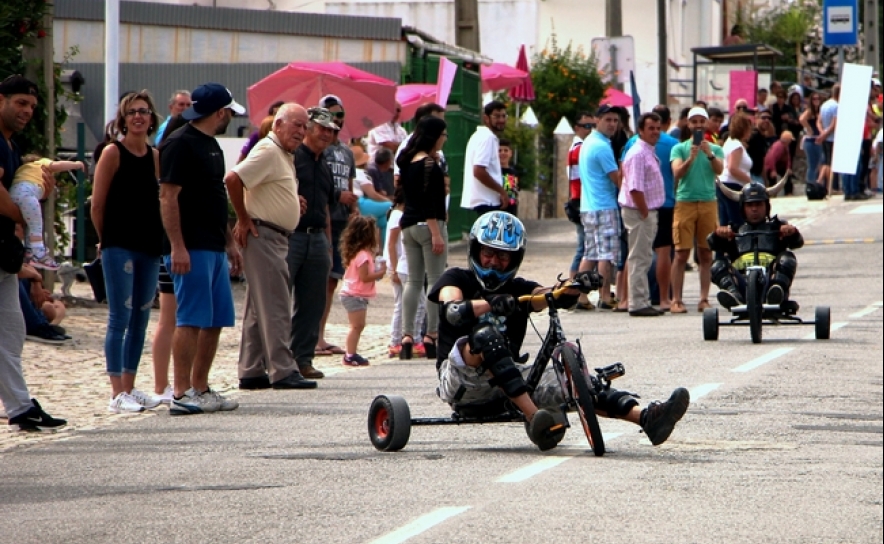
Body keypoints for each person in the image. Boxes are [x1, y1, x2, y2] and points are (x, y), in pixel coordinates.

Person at [429, 211, 691, 450]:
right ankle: (535, 418)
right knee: (485, 335)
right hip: (461, 381)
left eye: (503, 256)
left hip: (509, 384)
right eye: (488, 253)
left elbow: (547, 294)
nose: (494, 262)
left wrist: (575, 285)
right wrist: (490, 304)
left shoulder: (519, 288)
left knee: (572, 381)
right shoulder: (456, 279)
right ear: (476, 251)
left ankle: (646, 418)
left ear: (514, 259)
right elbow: (452, 309)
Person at [159, 82, 245, 416]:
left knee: (215, 319)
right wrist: (177, 246)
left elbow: (215, 197)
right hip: (189, 245)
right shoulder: (179, 144)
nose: (230, 119)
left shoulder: (212, 145)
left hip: (212, 245)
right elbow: (168, 196)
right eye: (229, 113)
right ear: (219, 113)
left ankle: (201, 387)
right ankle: (180, 392)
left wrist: (229, 243)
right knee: (191, 318)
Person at [226, 103, 317, 391]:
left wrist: (292, 201)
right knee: (277, 304)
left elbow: (265, 187)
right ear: (278, 124)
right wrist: (242, 217)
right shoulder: (268, 150)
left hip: (272, 234)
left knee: (257, 307)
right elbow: (233, 179)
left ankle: (252, 369)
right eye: (296, 124)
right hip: (264, 234)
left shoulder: (281, 153)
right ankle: (283, 369)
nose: (302, 131)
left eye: (305, 126)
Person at [92, 89, 165, 413]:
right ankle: (116, 391)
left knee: (141, 318)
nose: (139, 116)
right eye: (133, 111)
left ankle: (132, 386)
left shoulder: (155, 157)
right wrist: (104, 239)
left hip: (149, 246)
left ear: (151, 119)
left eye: (144, 111)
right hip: (118, 245)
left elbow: (162, 201)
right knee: (119, 316)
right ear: (124, 118)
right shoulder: (113, 152)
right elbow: (98, 204)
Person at [0, 74, 67, 431]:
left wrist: (36, 198)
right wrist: (22, 213)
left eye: (31, 106)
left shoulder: (11, 146)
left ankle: (20, 406)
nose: (26, 111)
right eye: (20, 103)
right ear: (1, 100)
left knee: (11, 329)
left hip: (5, 254)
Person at [287, 107, 338, 379]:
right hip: (292, 234)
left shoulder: (325, 163)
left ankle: (302, 359)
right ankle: (278, 360)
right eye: (322, 128)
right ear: (308, 129)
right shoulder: (292, 158)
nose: (327, 134)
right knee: (281, 300)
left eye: (331, 130)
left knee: (313, 303)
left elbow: (327, 207)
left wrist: (328, 244)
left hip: (317, 236)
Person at [396, 116, 448, 359]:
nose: (445, 139)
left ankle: (406, 336)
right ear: (434, 136)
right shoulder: (429, 165)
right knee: (436, 281)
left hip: (408, 225)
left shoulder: (407, 161)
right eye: (443, 135)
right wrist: (436, 232)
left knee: (413, 282)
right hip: (430, 225)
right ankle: (432, 334)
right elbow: (430, 200)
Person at [708, 183, 803, 309]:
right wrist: (718, 234)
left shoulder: (777, 228)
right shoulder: (734, 231)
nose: (754, 209)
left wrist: (791, 232)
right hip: (742, 283)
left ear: (767, 207)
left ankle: (776, 292)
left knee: (788, 257)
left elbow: (798, 242)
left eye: (758, 204)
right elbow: (711, 243)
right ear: (743, 208)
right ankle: (734, 295)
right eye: (750, 205)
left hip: (770, 281)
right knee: (717, 264)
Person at [669, 107, 725, 314]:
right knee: (681, 253)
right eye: (695, 121)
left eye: (702, 121)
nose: (699, 125)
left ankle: (704, 298)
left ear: (707, 123)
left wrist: (709, 154)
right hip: (685, 203)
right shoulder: (679, 148)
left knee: (705, 253)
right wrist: (690, 158)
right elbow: (677, 173)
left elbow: (719, 170)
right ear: (688, 124)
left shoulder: (716, 148)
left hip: (708, 202)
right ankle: (676, 299)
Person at [316, 94, 359, 358]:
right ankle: (313, 336)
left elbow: (349, 185)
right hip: (323, 218)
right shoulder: (320, 149)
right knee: (320, 280)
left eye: (341, 115)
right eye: (332, 114)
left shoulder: (345, 151)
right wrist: (337, 197)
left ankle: (320, 335)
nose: (337, 120)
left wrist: (354, 208)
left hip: (342, 220)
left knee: (331, 281)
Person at [619, 112, 665, 316]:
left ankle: (641, 300)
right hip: (639, 211)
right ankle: (637, 303)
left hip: (644, 210)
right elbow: (635, 188)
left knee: (644, 256)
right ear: (641, 130)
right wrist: (645, 212)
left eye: (657, 128)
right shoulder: (638, 153)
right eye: (651, 128)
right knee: (639, 256)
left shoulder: (646, 151)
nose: (655, 132)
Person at [577, 104, 622, 309]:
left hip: (588, 206)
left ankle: (579, 296)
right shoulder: (602, 146)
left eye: (615, 120)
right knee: (606, 254)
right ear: (597, 120)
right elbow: (617, 179)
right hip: (603, 205)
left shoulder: (589, 142)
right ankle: (605, 296)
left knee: (591, 253)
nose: (612, 124)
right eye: (608, 119)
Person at [10, 156, 85, 270]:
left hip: (13, 192)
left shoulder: (21, 169)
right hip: (27, 193)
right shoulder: (40, 163)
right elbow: (57, 165)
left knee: (29, 222)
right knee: (36, 225)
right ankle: (38, 254)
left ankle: (29, 250)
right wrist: (75, 164)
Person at [384, 185, 427, 358]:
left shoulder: (397, 215)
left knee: (404, 304)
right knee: (417, 304)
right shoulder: (399, 216)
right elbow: (392, 244)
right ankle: (410, 339)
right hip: (404, 267)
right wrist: (393, 268)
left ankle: (398, 340)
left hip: (403, 265)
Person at [338, 215, 386, 366]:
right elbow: (365, 277)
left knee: (359, 325)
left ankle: (352, 352)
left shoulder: (359, 254)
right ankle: (349, 354)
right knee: (356, 326)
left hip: (356, 294)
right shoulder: (363, 256)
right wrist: (381, 272)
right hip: (354, 294)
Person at [566, 112, 595, 310]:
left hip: (581, 200)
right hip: (580, 201)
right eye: (587, 126)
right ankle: (575, 291)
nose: (590, 130)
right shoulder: (579, 149)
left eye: (593, 125)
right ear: (577, 127)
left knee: (584, 246)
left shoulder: (581, 147)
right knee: (583, 247)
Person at [462, 100, 509, 214]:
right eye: (497, 116)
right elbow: (478, 171)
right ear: (486, 118)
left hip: (485, 202)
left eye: (504, 116)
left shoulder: (484, 136)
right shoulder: (486, 138)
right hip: (487, 202)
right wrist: (501, 191)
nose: (501, 120)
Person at [718, 113, 754, 229]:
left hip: (723, 185)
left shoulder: (729, 142)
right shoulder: (736, 145)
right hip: (733, 186)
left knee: (725, 222)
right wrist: (750, 181)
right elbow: (733, 168)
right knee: (737, 222)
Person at [353, 145, 392, 247]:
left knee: (383, 220)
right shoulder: (361, 173)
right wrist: (388, 201)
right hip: (360, 203)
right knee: (390, 207)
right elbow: (373, 194)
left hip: (358, 202)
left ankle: (383, 250)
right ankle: (385, 248)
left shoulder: (352, 172)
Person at [817, 85, 840, 194]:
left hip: (825, 138)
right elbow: (834, 124)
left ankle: (825, 185)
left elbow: (819, 121)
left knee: (827, 162)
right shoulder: (836, 106)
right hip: (833, 138)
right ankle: (833, 187)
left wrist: (822, 133)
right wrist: (826, 134)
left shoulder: (824, 105)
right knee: (832, 164)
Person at [800, 92, 823, 185]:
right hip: (811, 139)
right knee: (812, 164)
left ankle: (815, 183)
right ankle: (810, 184)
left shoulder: (821, 111)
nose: (816, 100)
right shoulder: (810, 111)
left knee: (819, 163)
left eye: (818, 98)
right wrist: (809, 128)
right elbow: (802, 119)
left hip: (819, 138)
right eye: (814, 99)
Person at [498, 137, 519, 216]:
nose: (502, 153)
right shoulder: (494, 172)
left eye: (505, 150)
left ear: (510, 153)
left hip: (511, 212)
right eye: (499, 150)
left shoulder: (514, 173)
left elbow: (514, 193)